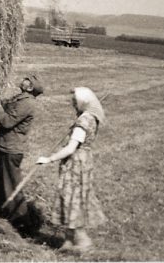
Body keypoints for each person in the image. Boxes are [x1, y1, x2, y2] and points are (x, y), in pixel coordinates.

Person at [36, 87, 107, 253]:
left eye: (75, 101)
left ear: (83, 102)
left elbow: (70, 148)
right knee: (70, 199)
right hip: (83, 162)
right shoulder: (91, 117)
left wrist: (49, 159)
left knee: (72, 200)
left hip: (76, 165)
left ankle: (83, 242)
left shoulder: (84, 121)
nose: (73, 104)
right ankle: (68, 241)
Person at [0, 75, 44, 234]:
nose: (25, 79)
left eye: (28, 79)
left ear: (30, 88)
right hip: (4, 147)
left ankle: (22, 223)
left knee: (11, 186)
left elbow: (6, 121)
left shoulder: (27, 103)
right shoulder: (20, 98)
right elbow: (4, 106)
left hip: (11, 150)